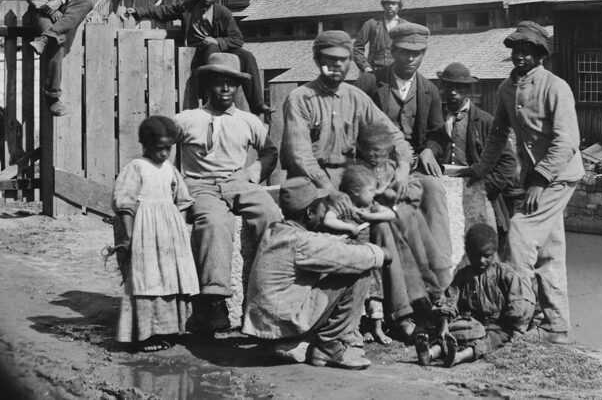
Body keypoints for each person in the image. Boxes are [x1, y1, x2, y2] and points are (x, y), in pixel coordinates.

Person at [280, 30, 429, 338]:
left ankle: (402, 313)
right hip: (312, 185)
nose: (337, 66)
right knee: (341, 229)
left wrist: (402, 166)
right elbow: (301, 156)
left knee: (386, 223)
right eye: (329, 60)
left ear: (351, 62)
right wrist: (330, 191)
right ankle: (336, 321)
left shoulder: (356, 97)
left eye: (343, 60)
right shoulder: (300, 98)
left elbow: (394, 136)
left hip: (349, 181)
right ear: (317, 60)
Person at [464, 21, 584, 345]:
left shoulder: (555, 87)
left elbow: (568, 140)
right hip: (538, 178)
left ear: (540, 55)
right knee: (549, 252)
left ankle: (518, 320)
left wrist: (539, 181)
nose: (519, 56)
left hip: (558, 176)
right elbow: (498, 135)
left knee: (519, 233)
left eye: (526, 51)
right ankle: (556, 328)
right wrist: (478, 169)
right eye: (515, 50)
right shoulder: (506, 89)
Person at [175, 52, 281, 335]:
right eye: (219, 83)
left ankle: (268, 293)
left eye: (231, 84)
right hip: (201, 184)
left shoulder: (248, 121)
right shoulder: (187, 118)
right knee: (213, 223)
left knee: (271, 215)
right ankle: (215, 302)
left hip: (238, 182)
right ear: (208, 85)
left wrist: (252, 172)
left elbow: (270, 152)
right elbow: (159, 149)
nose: (225, 89)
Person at [242, 177, 391, 370]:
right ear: (310, 212)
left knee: (347, 261)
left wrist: (342, 240)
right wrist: (380, 253)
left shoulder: (277, 231)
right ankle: (329, 345)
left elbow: (321, 242)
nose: (325, 212)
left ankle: (301, 343)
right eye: (323, 207)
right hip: (284, 325)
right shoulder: (300, 242)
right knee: (359, 268)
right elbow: (347, 257)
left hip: (267, 327)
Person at [358, 22, 452, 288]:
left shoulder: (429, 90)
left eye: (418, 53)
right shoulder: (369, 83)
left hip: (413, 165)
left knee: (434, 190)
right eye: (405, 52)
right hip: (377, 164)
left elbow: (437, 133)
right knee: (388, 205)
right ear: (393, 50)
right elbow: (355, 127)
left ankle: (442, 273)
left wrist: (428, 150)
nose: (411, 59)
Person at [110, 115, 199, 352]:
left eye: (168, 148)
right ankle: (146, 334)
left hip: (169, 233)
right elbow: (124, 204)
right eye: (159, 148)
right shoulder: (136, 167)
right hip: (145, 233)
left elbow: (182, 199)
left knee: (170, 278)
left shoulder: (169, 168)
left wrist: (179, 231)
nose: (163, 154)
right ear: (145, 145)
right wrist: (128, 237)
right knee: (147, 279)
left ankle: (171, 330)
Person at [124, 0, 267, 117]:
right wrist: (138, 12)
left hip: (221, 49)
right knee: (210, 49)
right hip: (197, 52)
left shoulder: (223, 13)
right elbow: (165, 11)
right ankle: (210, 101)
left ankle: (258, 105)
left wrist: (217, 41)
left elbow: (237, 39)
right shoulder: (189, 7)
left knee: (247, 56)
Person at [414, 224, 532, 367]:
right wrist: (444, 325)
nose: (481, 261)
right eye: (476, 256)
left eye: (487, 256)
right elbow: (450, 299)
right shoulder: (464, 275)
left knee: (490, 340)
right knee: (452, 333)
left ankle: (458, 356)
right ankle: (430, 353)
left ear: (494, 252)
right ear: (468, 253)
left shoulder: (505, 274)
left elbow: (518, 303)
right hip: (471, 321)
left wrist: (513, 326)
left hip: (497, 325)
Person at [435, 62, 518, 251]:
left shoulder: (486, 121)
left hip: (477, 191)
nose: (453, 93)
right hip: (443, 193)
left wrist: (486, 186)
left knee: (479, 249)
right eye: (449, 87)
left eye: (459, 88)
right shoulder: (437, 117)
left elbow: (508, 162)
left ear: (468, 90)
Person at [322, 164, 397, 345]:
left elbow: (390, 214)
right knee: (356, 295)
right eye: (370, 190)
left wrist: (371, 217)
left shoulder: (370, 206)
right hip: (350, 258)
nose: (374, 194)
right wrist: (348, 226)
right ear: (355, 191)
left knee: (374, 292)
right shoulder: (344, 204)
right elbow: (328, 219)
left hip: (368, 257)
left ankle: (377, 328)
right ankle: (358, 329)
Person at [352, 0, 407, 73]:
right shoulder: (371, 24)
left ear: (399, 6)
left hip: (398, 72)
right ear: (383, 5)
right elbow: (357, 48)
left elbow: (412, 50)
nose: (390, 6)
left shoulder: (406, 26)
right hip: (374, 71)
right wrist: (365, 67)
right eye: (387, 3)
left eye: (394, 4)